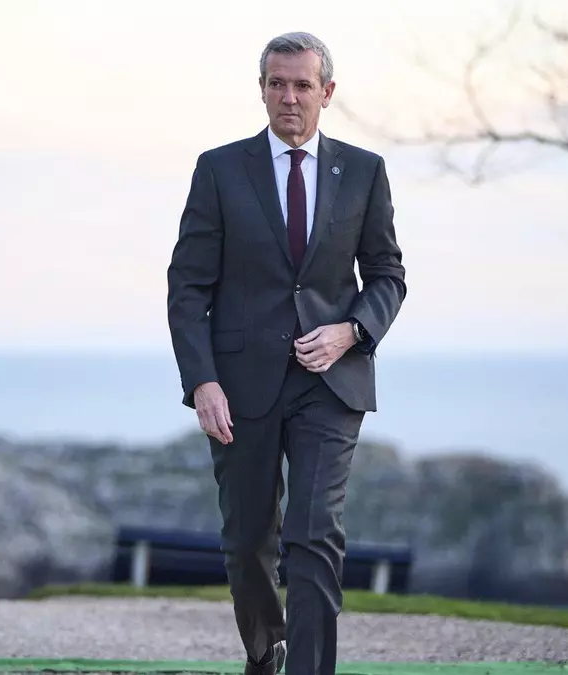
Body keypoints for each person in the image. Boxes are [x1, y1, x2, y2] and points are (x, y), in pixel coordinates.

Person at [165, 31, 407, 675]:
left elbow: (387, 274)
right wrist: (202, 382)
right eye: (277, 84)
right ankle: (264, 647)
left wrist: (351, 330)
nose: (289, 97)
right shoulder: (219, 169)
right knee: (248, 541)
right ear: (262, 89)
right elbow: (188, 288)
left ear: (327, 92)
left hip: (331, 382)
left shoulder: (364, 171)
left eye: (302, 85)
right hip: (239, 385)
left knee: (313, 533)